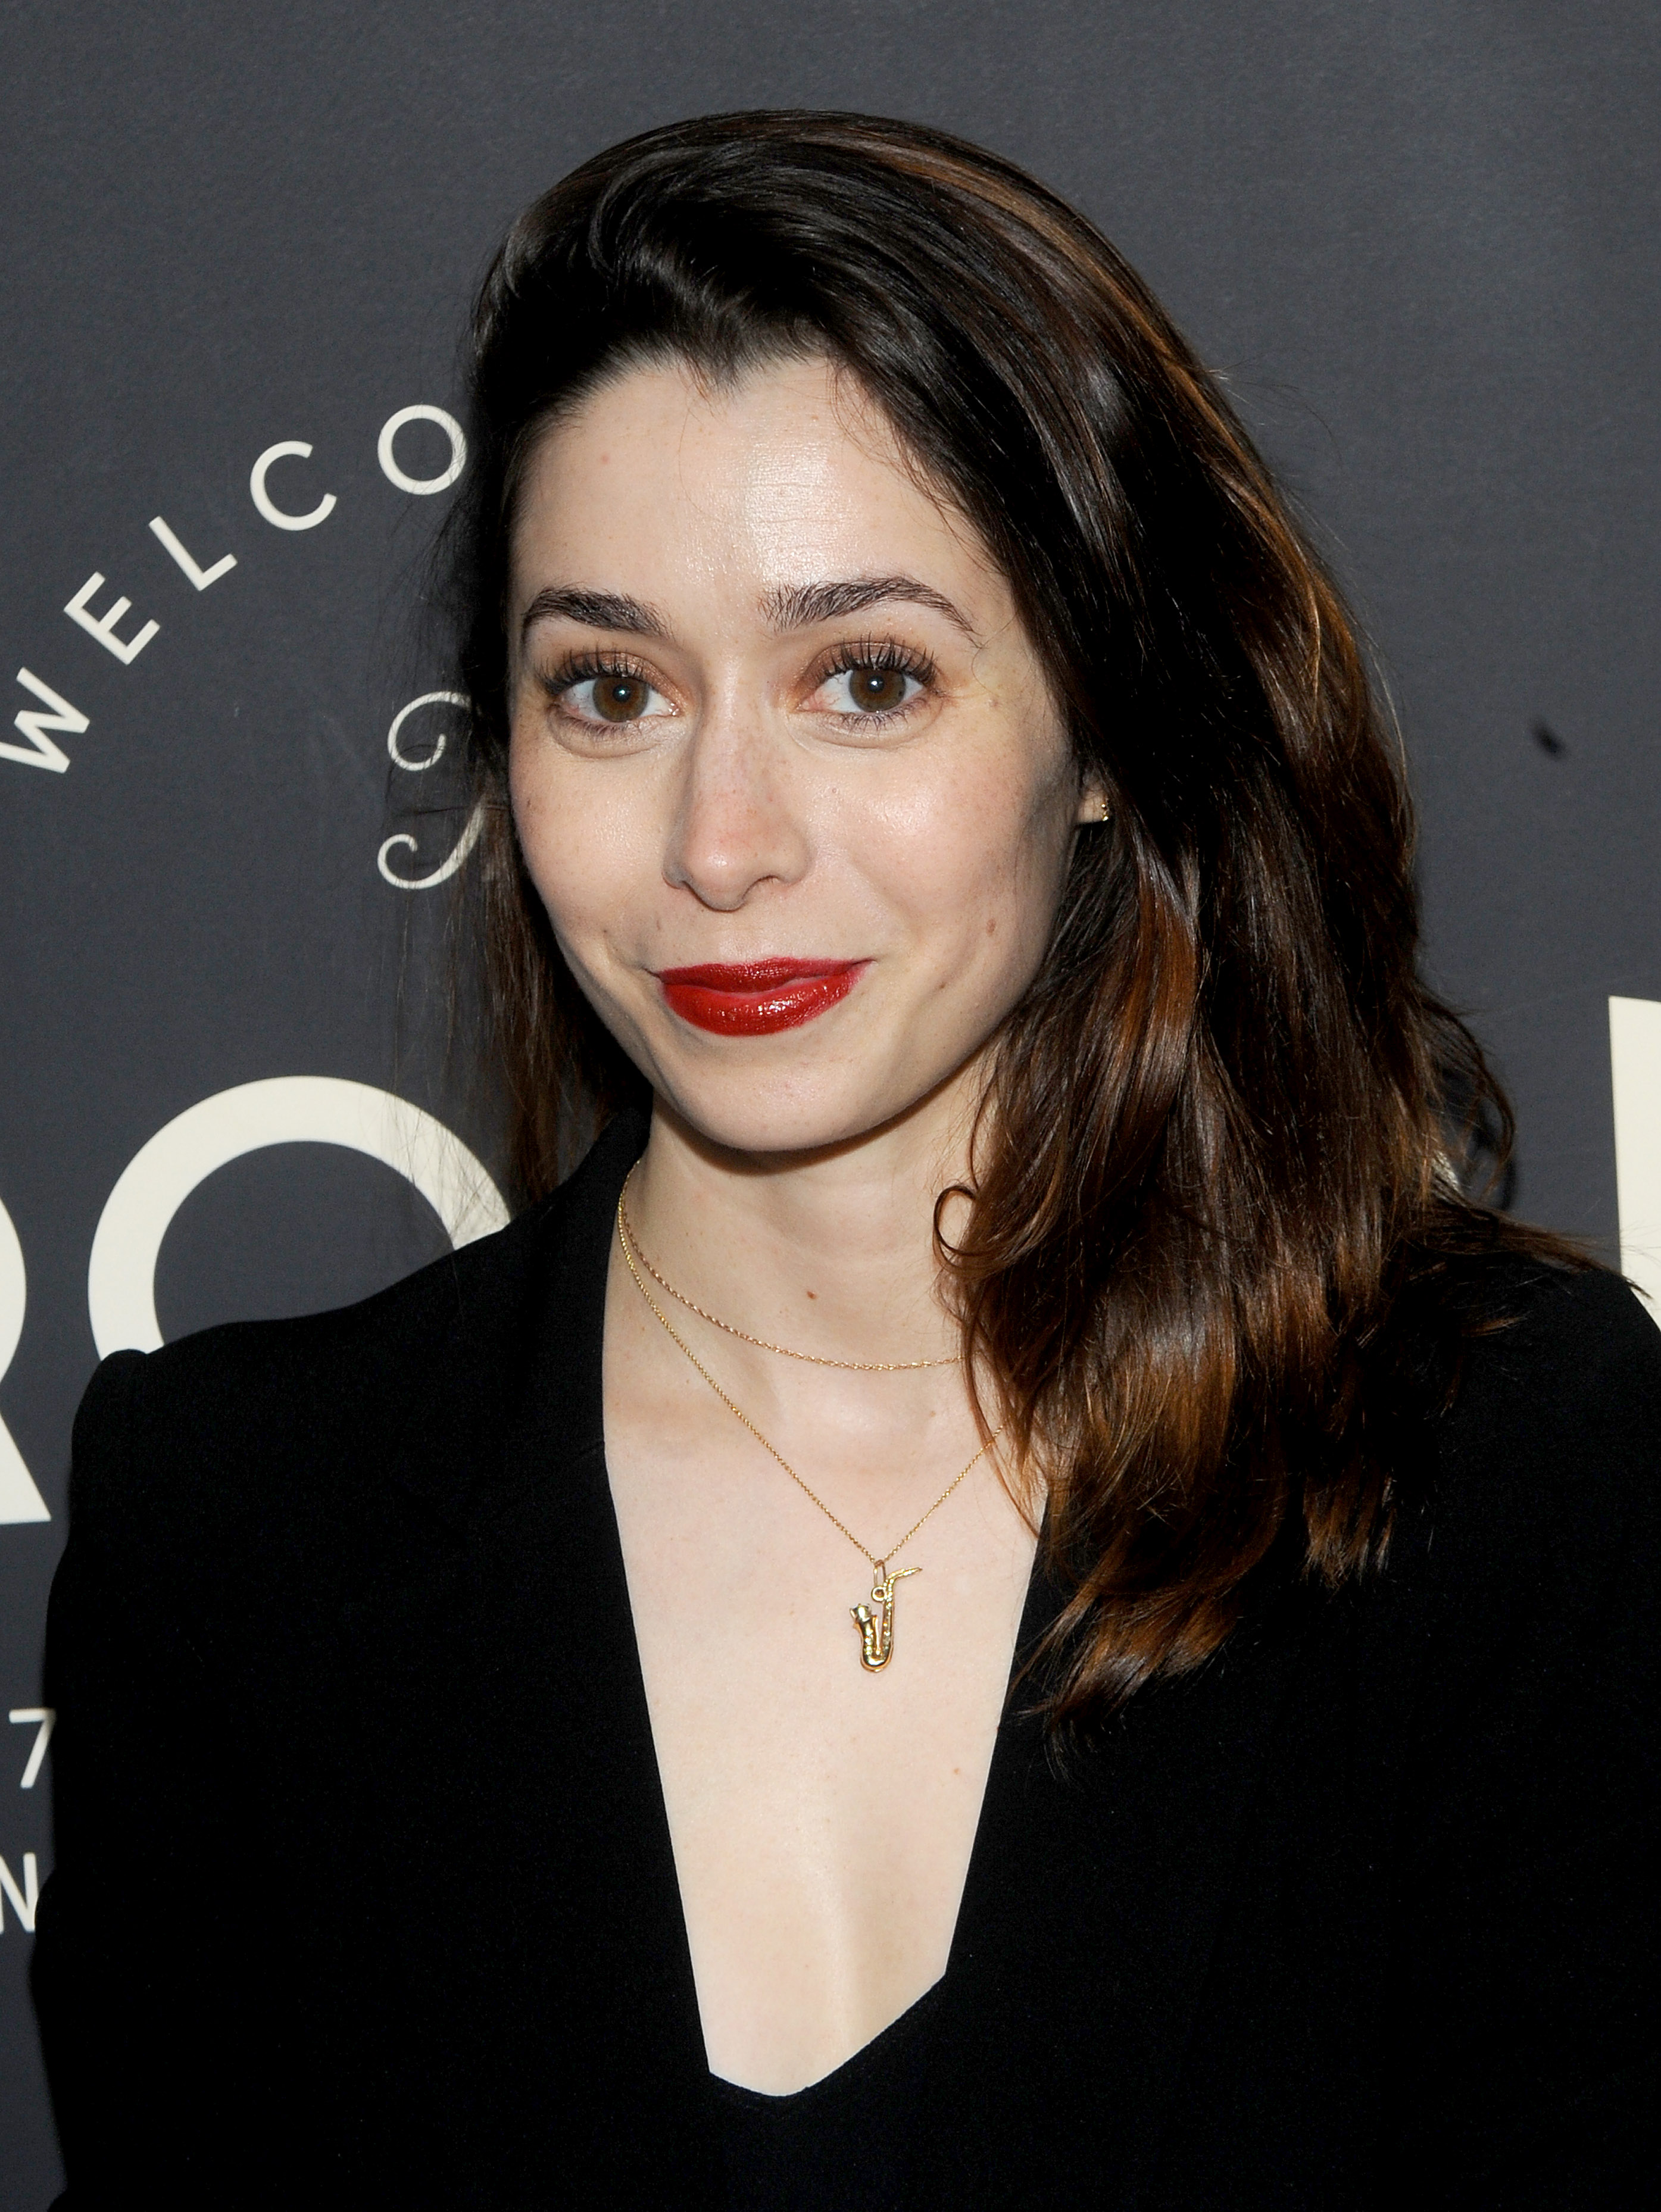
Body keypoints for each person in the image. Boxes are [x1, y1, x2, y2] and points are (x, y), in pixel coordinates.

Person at [34, 112, 1657, 2210]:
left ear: (1111, 733)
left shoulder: (1503, 1473)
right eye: (610, 688)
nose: (722, 840)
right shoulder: (235, 1531)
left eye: (868, 678)